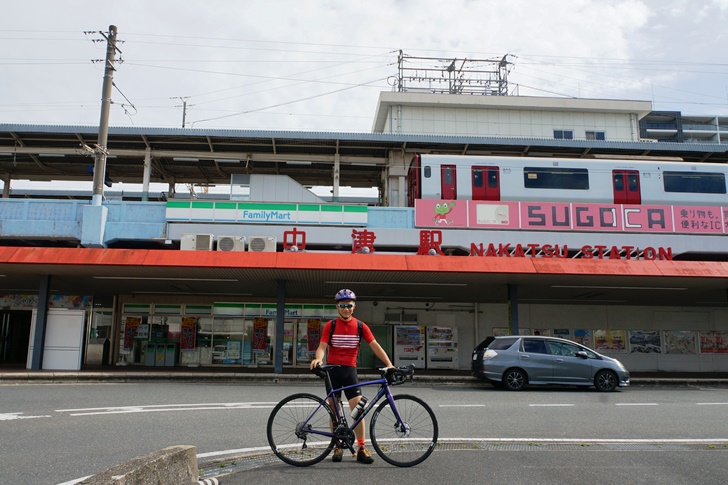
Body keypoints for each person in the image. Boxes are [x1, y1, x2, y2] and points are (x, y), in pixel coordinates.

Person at [309, 288, 394, 464]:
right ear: (337, 307)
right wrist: (318, 358)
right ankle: (337, 446)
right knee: (334, 411)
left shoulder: (360, 326)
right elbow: (323, 346)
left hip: (349, 371)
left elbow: (374, 345)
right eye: (342, 305)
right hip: (332, 372)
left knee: (358, 411)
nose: (346, 308)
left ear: (354, 306)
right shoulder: (330, 325)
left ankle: (362, 448)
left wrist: (389, 364)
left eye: (349, 305)